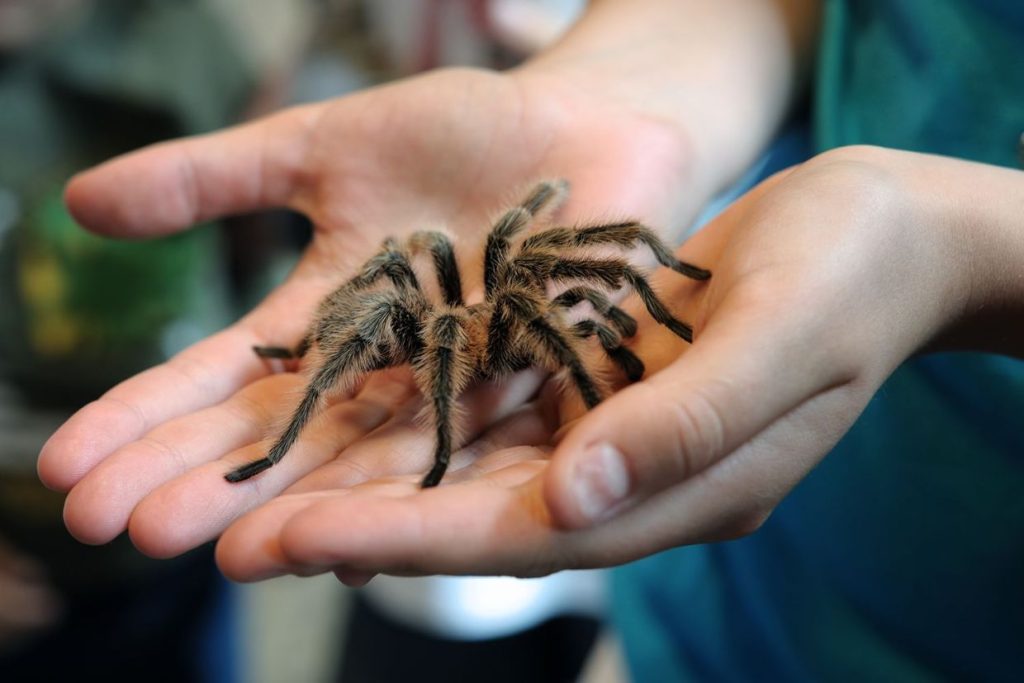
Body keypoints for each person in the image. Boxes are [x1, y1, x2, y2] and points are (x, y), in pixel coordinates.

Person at [36, 0, 1024, 679]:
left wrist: (959, 256)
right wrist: (629, 92)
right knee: (417, 282)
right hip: (732, 621)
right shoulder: (444, 308)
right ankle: (300, 389)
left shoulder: (523, 296)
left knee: (538, 278)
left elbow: (597, 263)